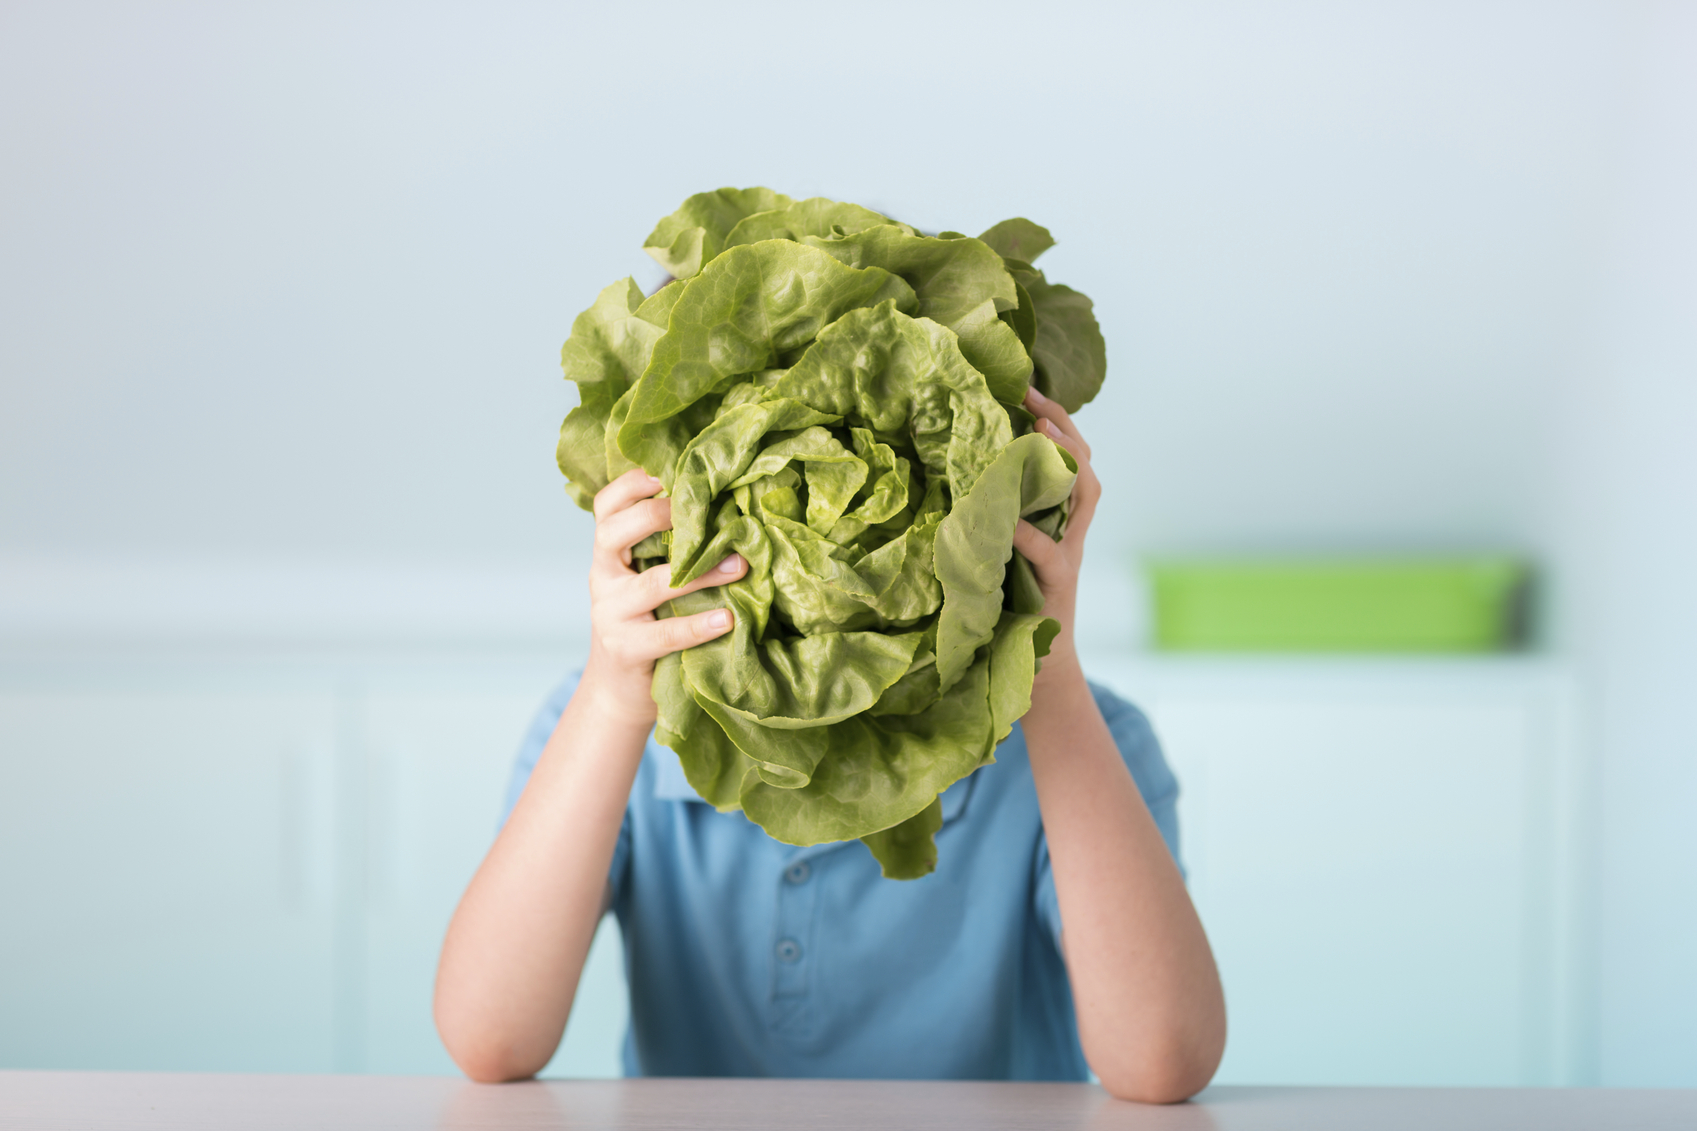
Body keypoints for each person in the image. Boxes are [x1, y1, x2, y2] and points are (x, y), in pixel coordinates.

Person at [433, 388, 1227, 1102]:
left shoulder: (1088, 738)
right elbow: (489, 1038)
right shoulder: (606, 735)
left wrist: (1043, 675)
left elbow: (1160, 1060)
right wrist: (610, 704)